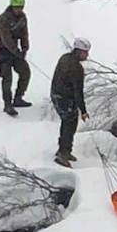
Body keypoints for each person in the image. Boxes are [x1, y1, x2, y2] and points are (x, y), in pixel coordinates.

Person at [51, 38, 91, 168]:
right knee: (69, 124)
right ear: (79, 52)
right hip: (65, 99)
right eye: (85, 52)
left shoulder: (64, 58)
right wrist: (83, 111)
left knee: (67, 122)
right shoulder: (77, 68)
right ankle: (63, 154)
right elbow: (78, 91)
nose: (87, 55)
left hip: (56, 95)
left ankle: (64, 149)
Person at [0, 0, 31, 116]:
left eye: (21, 7)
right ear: (12, 6)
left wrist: (25, 48)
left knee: (25, 72)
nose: (19, 10)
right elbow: (6, 38)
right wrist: (16, 51)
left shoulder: (22, 18)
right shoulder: (3, 19)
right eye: (17, 7)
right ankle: (7, 104)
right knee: (7, 78)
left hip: (15, 52)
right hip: (2, 51)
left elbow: (24, 34)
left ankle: (18, 97)